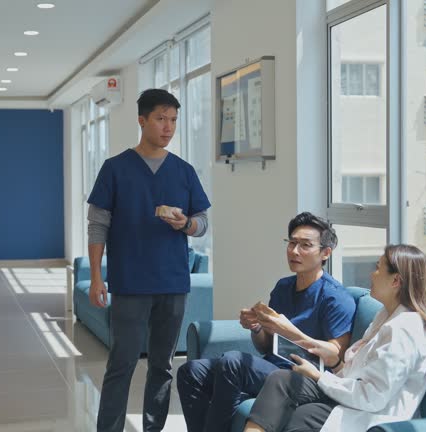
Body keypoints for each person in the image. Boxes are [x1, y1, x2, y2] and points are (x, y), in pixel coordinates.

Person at [87, 88, 211, 432]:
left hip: (172, 283)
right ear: (142, 120)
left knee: (163, 365)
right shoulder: (115, 169)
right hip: (130, 283)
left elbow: (202, 223)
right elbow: (97, 226)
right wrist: (97, 276)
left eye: (173, 120)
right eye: (160, 118)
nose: (168, 127)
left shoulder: (184, 171)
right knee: (122, 363)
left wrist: (185, 223)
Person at [177, 212, 356, 432]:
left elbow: (336, 355)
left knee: (234, 361)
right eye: (292, 243)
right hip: (273, 366)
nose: (295, 251)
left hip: (305, 376)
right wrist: (257, 327)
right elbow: (266, 345)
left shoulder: (335, 297)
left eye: (305, 245)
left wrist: (290, 331)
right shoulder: (283, 287)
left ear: (325, 253)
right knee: (191, 371)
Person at [243, 244, 426, 432]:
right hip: (351, 395)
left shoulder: (405, 329)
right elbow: (362, 371)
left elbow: (374, 396)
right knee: (283, 381)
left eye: (378, 269)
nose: (372, 274)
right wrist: (335, 363)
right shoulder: (385, 316)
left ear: (396, 281)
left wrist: (318, 376)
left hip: (372, 412)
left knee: (300, 414)